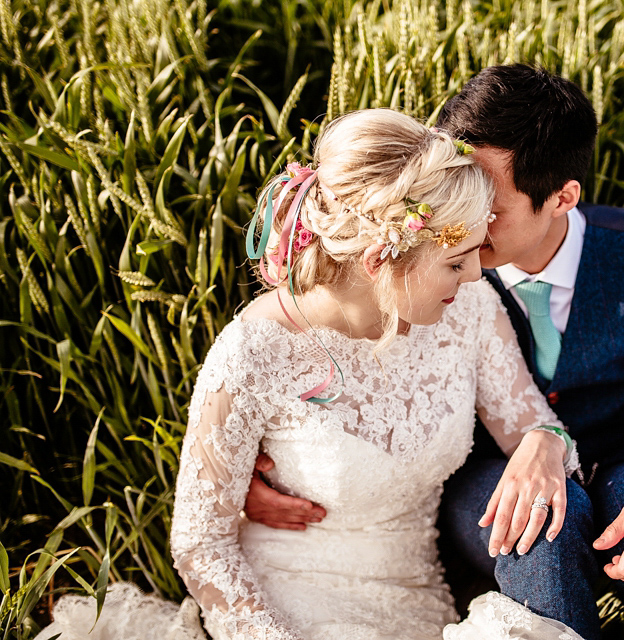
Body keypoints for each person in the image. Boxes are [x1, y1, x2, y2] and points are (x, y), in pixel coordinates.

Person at [36, 108, 586, 640]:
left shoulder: (470, 312)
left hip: (418, 602)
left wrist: (544, 440)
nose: (475, 274)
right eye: (454, 260)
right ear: (380, 261)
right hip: (287, 606)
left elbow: (542, 430)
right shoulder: (253, 353)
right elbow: (201, 543)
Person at [245, 66, 624, 639]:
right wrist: (268, 454)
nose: (465, 220)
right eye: (455, 189)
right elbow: (333, 340)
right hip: (484, 473)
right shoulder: (429, 257)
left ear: (562, 197)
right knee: (536, 526)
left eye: (488, 204)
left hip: (620, 457)